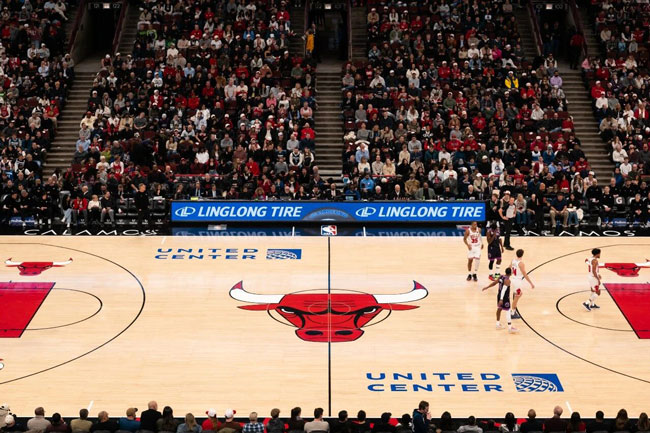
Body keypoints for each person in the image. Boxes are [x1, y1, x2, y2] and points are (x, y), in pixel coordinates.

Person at [482, 268, 517, 333]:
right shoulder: (507, 280)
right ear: (510, 273)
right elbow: (503, 290)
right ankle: (510, 328)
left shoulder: (501, 276)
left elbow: (494, 283)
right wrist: (501, 299)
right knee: (508, 311)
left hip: (499, 295)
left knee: (499, 309)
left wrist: (487, 287)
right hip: (504, 298)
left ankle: (497, 324)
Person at [510, 249, 535, 319]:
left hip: (513, 279)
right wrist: (531, 283)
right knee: (517, 296)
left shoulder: (513, 260)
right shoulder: (521, 263)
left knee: (517, 295)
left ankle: (513, 310)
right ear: (522, 255)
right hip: (517, 281)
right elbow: (524, 274)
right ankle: (512, 312)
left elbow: (509, 269)